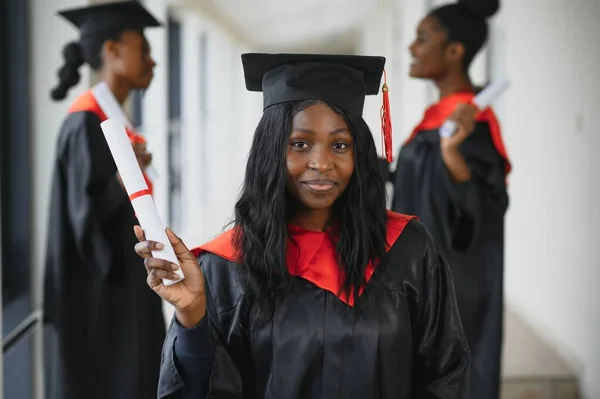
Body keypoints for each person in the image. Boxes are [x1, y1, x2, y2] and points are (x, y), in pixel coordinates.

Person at [134, 53, 470, 399]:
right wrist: (192, 317)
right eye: (300, 144)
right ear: (271, 152)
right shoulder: (224, 266)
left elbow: (445, 375)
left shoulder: (409, 250)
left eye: (340, 145)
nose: (321, 162)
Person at [381, 1, 511, 398]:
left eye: (422, 38)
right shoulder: (436, 119)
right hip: (419, 274)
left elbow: (487, 208)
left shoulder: (473, 125)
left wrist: (453, 155)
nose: (411, 48)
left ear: (454, 51)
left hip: (455, 283)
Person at [43, 2, 166, 398]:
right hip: (103, 305)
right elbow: (84, 222)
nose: (153, 60)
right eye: (142, 49)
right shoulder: (84, 123)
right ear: (112, 51)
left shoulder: (112, 122)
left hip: (126, 291)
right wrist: (122, 178)